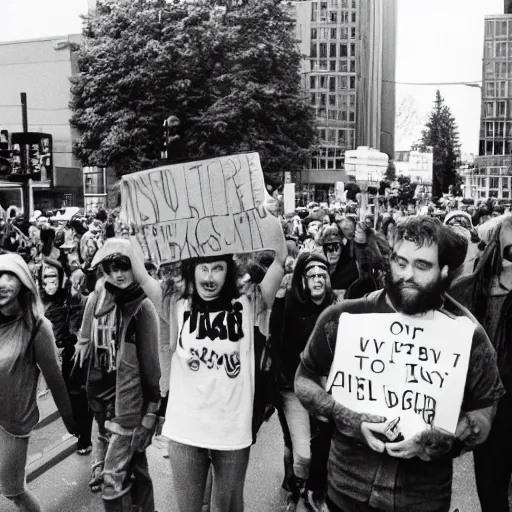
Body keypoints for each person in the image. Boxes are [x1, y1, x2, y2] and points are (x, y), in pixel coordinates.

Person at [295, 216, 504, 512]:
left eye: (422, 266)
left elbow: (484, 409)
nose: (407, 274)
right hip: (347, 490)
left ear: (444, 271)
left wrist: (444, 439)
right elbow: (304, 378)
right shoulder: (345, 318)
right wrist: (344, 416)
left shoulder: (468, 336)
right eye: (401, 262)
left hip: (421, 498)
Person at [160, 238, 286, 511]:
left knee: (229, 507)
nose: (209, 277)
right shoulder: (177, 303)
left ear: (229, 271)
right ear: (191, 270)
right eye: (202, 268)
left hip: (231, 430)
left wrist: (260, 209)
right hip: (185, 429)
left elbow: (280, 258)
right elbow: (139, 270)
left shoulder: (248, 301)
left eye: (217, 268)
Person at [75, 238, 161, 512]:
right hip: (105, 401)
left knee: (111, 479)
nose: (119, 274)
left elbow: (151, 368)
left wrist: (151, 412)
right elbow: (92, 347)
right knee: (136, 469)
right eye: (111, 267)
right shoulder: (103, 299)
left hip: (130, 407)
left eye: (124, 266)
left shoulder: (142, 306)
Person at [0, 253, 77, 512]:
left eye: (9, 276)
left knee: (13, 489)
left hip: (13, 422)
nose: (2, 283)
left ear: (23, 281)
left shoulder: (36, 326)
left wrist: (72, 423)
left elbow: (55, 378)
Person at [270, 252, 337, 511]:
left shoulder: (336, 307)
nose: (318, 280)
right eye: (313, 276)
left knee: (322, 442)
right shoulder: (288, 304)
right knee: (299, 449)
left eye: (323, 275)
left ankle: (311, 491)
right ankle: (294, 487)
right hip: (291, 387)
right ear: (304, 281)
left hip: (325, 387)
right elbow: (275, 338)